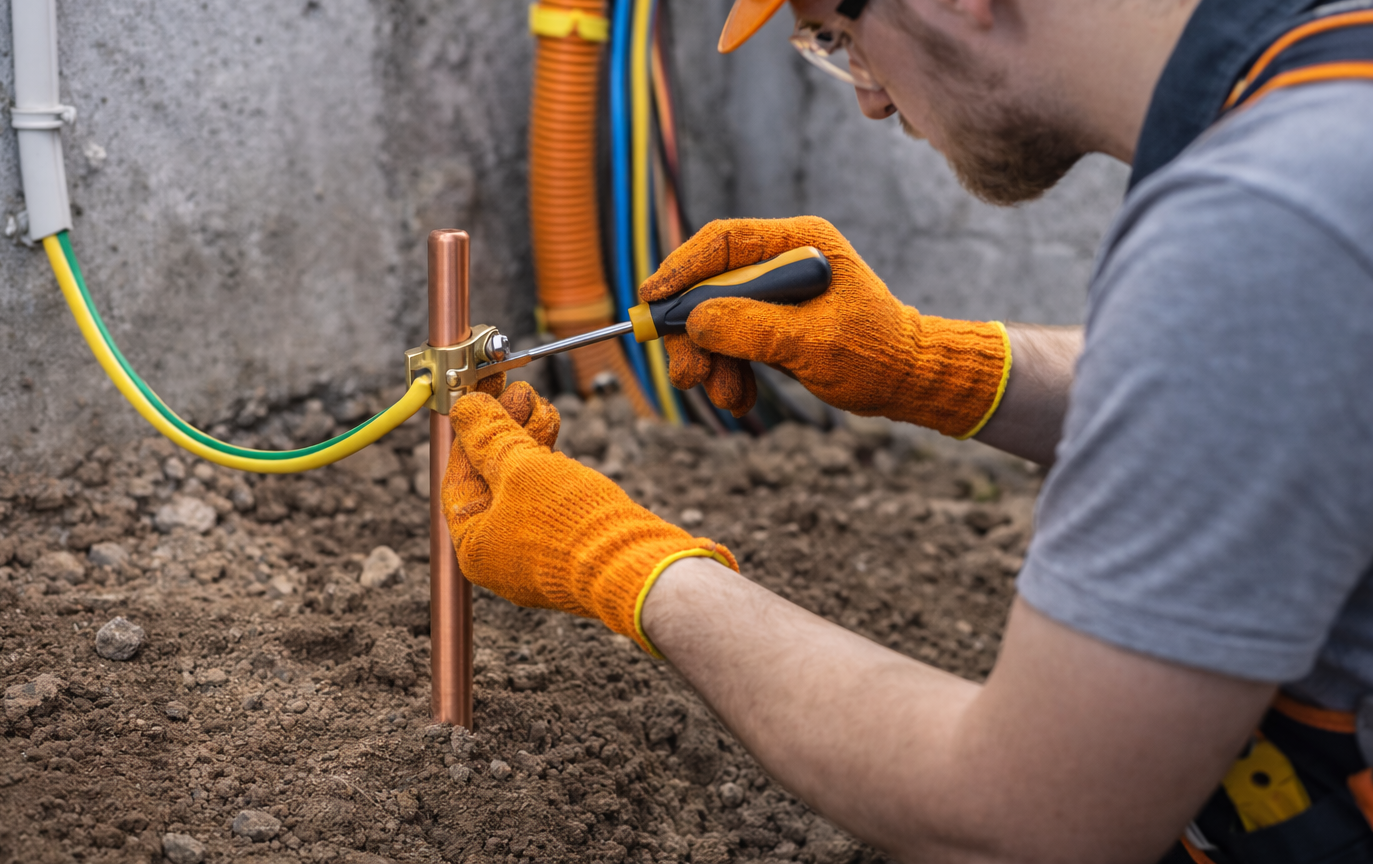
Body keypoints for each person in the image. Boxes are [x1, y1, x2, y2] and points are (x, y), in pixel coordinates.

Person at [444, 0, 1373, 861]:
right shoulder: (1326, 85)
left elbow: (1027, 819)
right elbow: (1249, 390)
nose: (870, 102)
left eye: (835, 35)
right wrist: (931, 367)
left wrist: (621, 562)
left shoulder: (1263, 226)